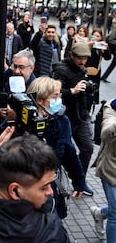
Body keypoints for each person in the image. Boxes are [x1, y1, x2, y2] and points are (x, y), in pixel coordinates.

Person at [26, 76, 86, 219]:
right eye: (55, 96)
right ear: (40, 100)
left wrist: (79, 182)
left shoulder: (61, 121)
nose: (59, 99)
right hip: (25, 189)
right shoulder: (23, 120)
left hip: (50, 188)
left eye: (59, 95)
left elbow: (70, 154)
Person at [50, 42, 94, 196]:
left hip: (81, 116)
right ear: (71, 56)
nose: (82, 62)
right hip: (65, 117)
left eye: (85, 59)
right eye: (80, 58)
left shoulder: (82, 69)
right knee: (64, 152)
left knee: (88, 148)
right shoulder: (61, 70)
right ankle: (60, 182)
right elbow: (53, 91)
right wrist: (72, 90)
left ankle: (80, 180)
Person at [92, 98, 116, 241]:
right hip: (112, 170)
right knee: (115, 215)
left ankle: (100, 213)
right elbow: (106, 134)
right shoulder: (111, 108)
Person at [84, 28, 111, 104]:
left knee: (93, 89)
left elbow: (108, 58)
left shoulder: (101, 46)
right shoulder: (88, 44)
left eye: (98, 36)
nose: (96, 38)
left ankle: (91, 104)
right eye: (94, 36)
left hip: (96, 71)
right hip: (85, 70)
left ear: (101, 37)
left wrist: (105, 49)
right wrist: (89, 45)